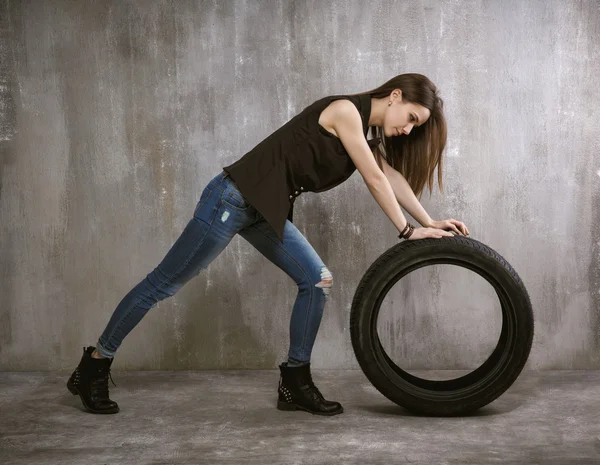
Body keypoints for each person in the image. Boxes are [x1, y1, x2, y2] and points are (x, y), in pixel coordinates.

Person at [67, 73, 470, 417]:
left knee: (317, 281)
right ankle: (96, 363)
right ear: (396, 96)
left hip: (264, 209)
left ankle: (294, 382)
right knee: (163, 285)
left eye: (417, 126)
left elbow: (391, 175)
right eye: (412, 118)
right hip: (231, 200)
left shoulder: (367, 132)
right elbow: (375, 180)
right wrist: (406, 232)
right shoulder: (347, 111)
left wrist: (429, 221)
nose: (409, 129)